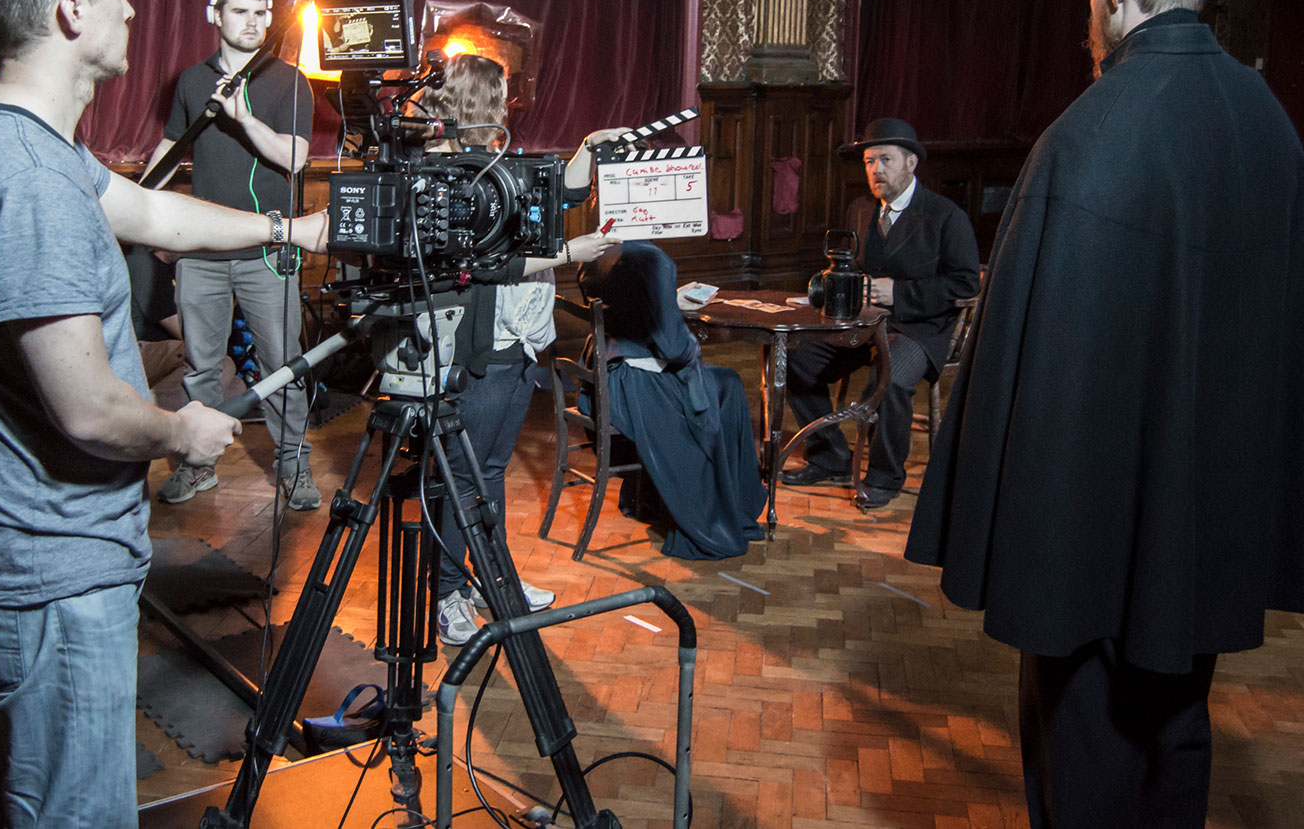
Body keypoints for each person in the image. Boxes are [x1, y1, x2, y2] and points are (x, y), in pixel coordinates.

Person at [905, 0, 1304, 827]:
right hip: (1213, 504)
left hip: (1090, 525)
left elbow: (1031, 348)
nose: (1087, 22)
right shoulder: (1266, 119)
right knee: (1177, 723)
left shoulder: (1093, 132)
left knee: (1084, 736)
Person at [0, 0, 328, 826]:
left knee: (19, 789)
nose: (134, 10)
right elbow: (89, 408)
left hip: (35, 548)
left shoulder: (28, 138)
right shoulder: (26, 180)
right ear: (72, 11)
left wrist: (288, 227)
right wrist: (184, 427)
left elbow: (149, 214)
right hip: (48, 566)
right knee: (73, 812)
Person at [418, 53, 628, 645]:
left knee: (489, 468)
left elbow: (558, 190)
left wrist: (588, 144)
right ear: (479, 98)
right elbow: (481, 265)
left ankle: (492, 579)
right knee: (461, 474)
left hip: (518, 342)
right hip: (475, 347)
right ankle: (444, 593)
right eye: (502, 92)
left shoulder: (497, 162)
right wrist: (568, 254)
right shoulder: (445, 170)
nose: (510, 101)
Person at [144, 0, 320, 510]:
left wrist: (244, 120)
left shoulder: (290, 81)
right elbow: (171, 145)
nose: (252, 22)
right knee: (201, 366)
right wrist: (135, 202)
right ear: (215, 16)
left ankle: (294, 466)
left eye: (261, 12)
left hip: (268, 250)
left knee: (281, 364)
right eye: (240, 11)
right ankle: (198, 467)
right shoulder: (193, 81)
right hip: (200, 251)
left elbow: (294, 157)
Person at [780, 118, 980, 508]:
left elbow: (965, 284)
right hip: (861, 323)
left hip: (918, 329)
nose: (876, 170)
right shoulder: (861, 209)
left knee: (888, 376)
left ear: (910, 164)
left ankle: (885, 475)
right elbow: (851, 267)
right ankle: (831, 454)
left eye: (885, 160)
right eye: (870, 162)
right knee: (793, 359)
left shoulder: (945, 216)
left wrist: (898, 293)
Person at [577, 240, 766, 559]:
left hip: (606, 379)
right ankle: (720, 515)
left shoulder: (598, 250)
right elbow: (675, 348)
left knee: (727, 383)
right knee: (718, 389)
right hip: (635, 387)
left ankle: (675, 501)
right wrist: (672, 310)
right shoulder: (654, 260)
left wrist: (665, 300)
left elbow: (628, 305)